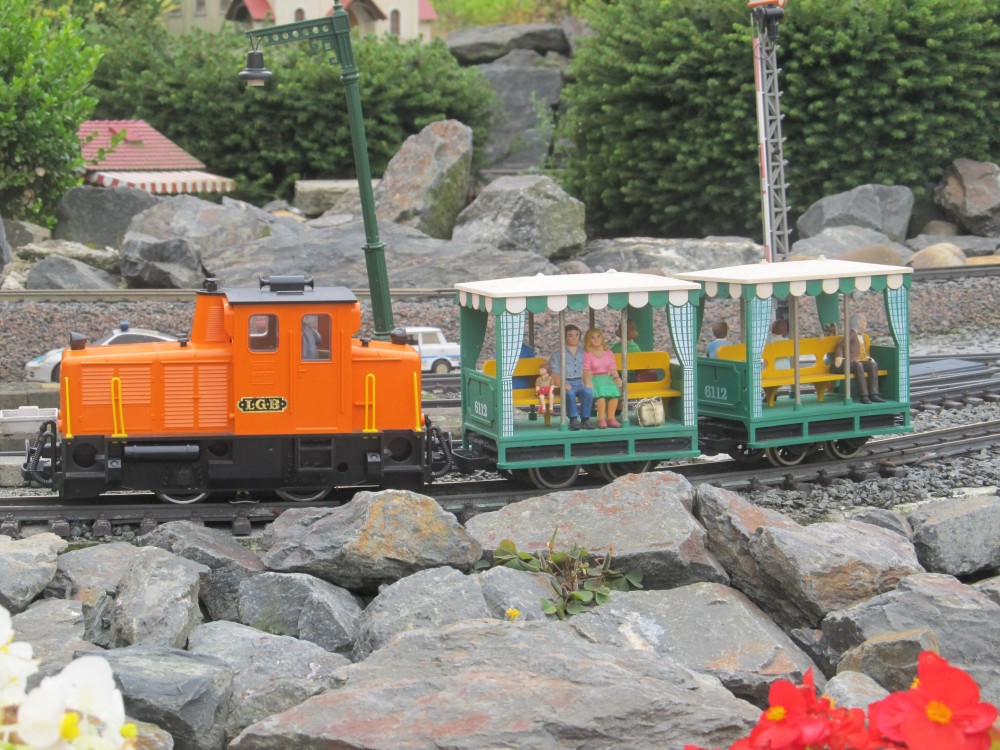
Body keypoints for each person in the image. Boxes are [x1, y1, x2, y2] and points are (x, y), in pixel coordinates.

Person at [549, 324, 594, 430]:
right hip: (566, 381)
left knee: (588, 392)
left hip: (580, 381)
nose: (574, 338)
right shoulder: (558, 354)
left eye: (576, 335)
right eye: (570, 335)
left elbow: (587, 369)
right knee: (569, 393)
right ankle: (573, 419)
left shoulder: (584, 353)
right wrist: (562, 384)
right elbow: (555, 374)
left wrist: (588, 380)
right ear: (564, 337)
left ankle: (585, 418)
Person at [832, 312, 885, 404]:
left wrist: (868, 358)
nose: (866, 323)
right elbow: (840, 345)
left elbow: (863, 350)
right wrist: (839, 357)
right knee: (858, 365)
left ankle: (874, 394)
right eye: (864, 321)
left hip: (860, 361)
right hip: (851, 362)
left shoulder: (863, 336)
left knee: (873, 365)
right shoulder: (851, 334)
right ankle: (864, 396)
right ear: (858, 322)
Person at [583, 327, 623, 429]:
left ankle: (611, 418)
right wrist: (587, 380)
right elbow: (586, 369)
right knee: (600, 394)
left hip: (607, 377)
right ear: (588, 340)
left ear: (602, 338)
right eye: (592, 337)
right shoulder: (587, 354)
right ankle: (601, 418)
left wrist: (617, 378)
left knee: (615, 393)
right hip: (594, 378)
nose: (596, 339)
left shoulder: (608, 353)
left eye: (598, 337)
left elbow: (613, 368)